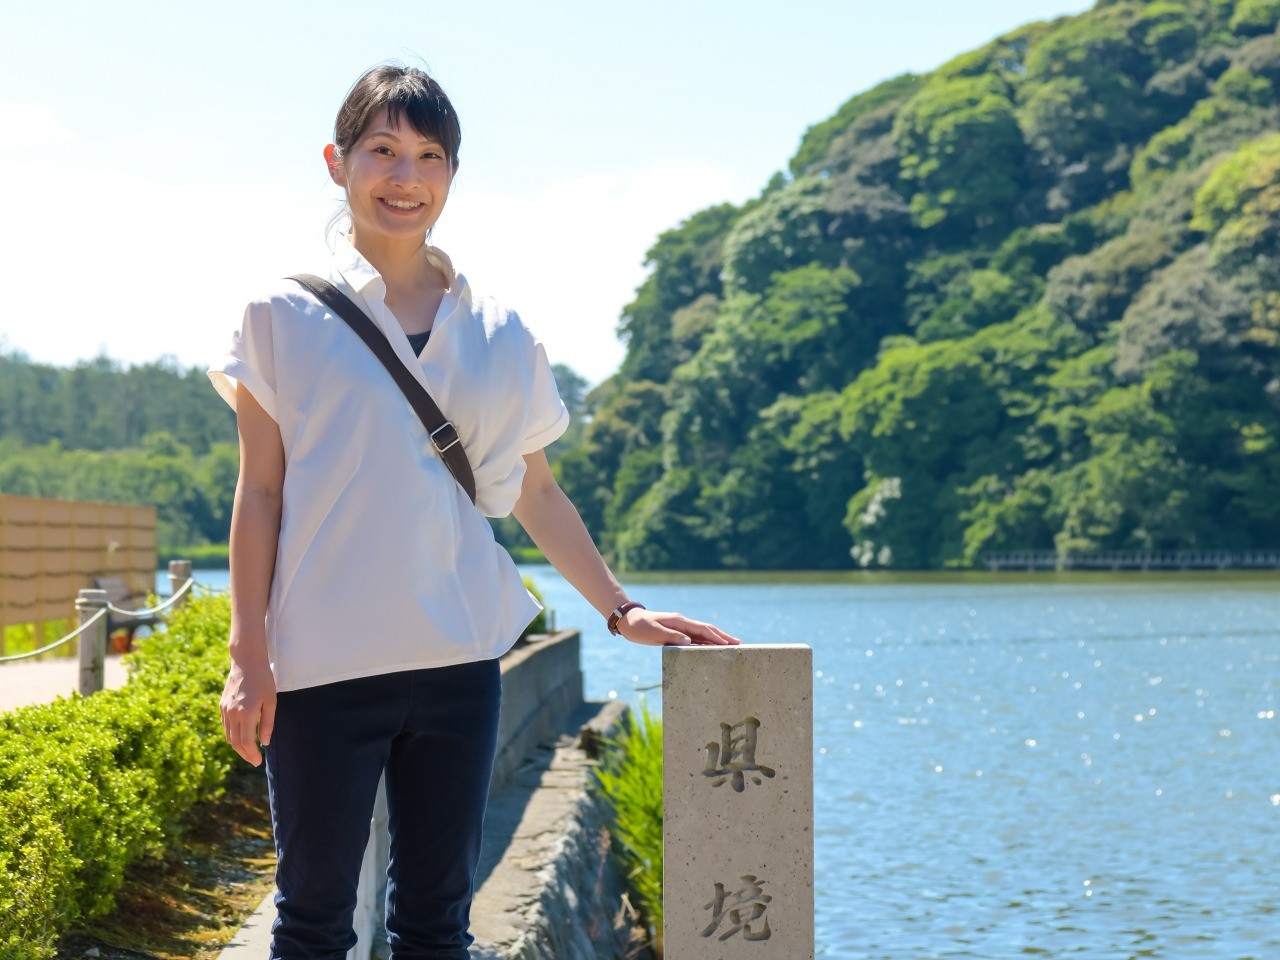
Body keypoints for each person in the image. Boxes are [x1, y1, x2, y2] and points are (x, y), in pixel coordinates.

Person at [208, 62, 740, 960]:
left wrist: (622, 608)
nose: (404, 176)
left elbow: (535, 490)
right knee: (311, 922)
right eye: (382, 151)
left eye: (428, 155)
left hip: (457, 664)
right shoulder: (280, 315)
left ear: (452, 174)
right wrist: (247, 656)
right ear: (337, 163)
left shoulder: (497, 328)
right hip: (319, 667)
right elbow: (260, 491)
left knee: (436, 926)